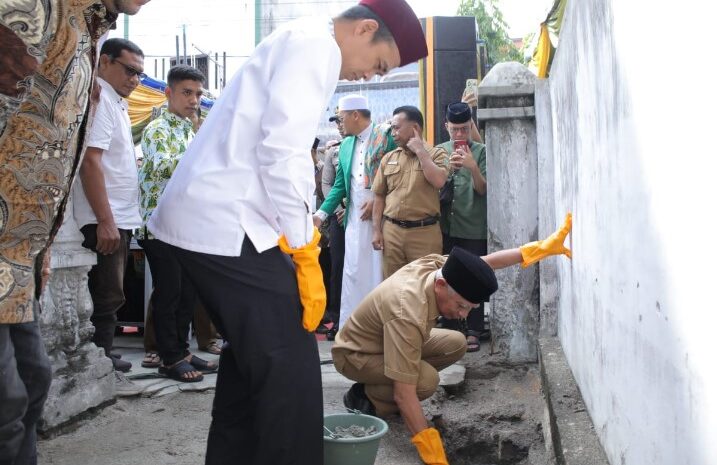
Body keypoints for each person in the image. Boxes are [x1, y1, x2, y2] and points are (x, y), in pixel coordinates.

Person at [145, 0, 428, 463]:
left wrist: (298, 241)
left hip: (223, 221)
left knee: (255, 358)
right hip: (223, 221)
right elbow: (283, 153)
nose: (371, 78)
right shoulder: (315, 46)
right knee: (290, 366)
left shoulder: (303, 40)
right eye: (379, 65)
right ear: (365, 29)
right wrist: (302, 248)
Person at [0, 1, 149, 463]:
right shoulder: (32, 9)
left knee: (31, 381)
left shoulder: (84, 34)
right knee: (8, 401)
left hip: (19, 261)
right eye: (129, 69)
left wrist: (38, 252)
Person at [333, 213, 573, 465]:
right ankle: (365, 399)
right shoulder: (407, 311)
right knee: (424, 381)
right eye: (461, 305)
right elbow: (405, 394)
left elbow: (484, 264)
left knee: (455, 343)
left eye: (470, 308)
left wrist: (538, 249)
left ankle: (389, 379)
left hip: (387, 340)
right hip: (356, 354)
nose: (463, 314)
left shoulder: (440, 269)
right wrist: (434, 453)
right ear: (441, 286)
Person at [137, 64, 218, 381]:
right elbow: (165, 165)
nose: (194, 100)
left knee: (187, 294)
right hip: (159, 226)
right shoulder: (157, 129)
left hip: (184, 228)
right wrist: (208, 158)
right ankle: (170, 358)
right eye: (186, 92)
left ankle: (182, 351)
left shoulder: (188, 130)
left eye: (198, 93)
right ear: (168, 93)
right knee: (170, 293)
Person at [74, 38, 145, 374]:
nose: (135, 79)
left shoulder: (115, 101)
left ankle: (103, 353)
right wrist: (105, 220)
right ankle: (97, 357)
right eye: (129, 70)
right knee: (106, 293)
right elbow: (91, 161)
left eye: (139, 74)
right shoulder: (101, 99)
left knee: (112, 293)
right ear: (105, 62)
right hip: (106, 215)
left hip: (118, 214)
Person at [314, 94, 395, 329]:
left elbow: (396, 174)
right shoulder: (347, 145)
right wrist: (321, 215)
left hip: (381, 220)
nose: (340, 123)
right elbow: (340, 184)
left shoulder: (385, 137)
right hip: (354, 219)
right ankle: (354, 327)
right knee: (353, 271)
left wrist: (379, 198)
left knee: (377, 271)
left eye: (342, 118)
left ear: (355, 115)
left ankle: (379, 326)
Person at [372, 106, 449, 279]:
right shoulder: (389, 158)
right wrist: (376, 230)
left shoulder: (437, 154)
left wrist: (420, 151)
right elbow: (379, 196)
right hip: (392, 233)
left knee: (425, 286)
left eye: (397, 127)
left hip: (424, 234)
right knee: (392, 286)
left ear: (415, 128)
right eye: (392, 128)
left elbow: (439, 180)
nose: (393, 132)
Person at [437, 101, 488, 352]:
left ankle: (474, 329)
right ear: (446, 126)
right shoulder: (439, 151)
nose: (460, 135)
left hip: (473, 225)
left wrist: (472, 167)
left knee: (473, 277)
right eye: (455, 129)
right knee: (447, 276)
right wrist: (448, 170)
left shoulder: (481, 151)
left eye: (465, 129)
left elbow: (482, 189)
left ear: (471, 127)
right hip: (447, 225)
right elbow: (433, 188)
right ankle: (449, 328)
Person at [316, 111, 346, 339]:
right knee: (337, 267)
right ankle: (336, 316)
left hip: (362, 216)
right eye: (337, 122)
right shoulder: (334, 150)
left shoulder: (373, 145)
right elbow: (327, 185)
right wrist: (338, 210)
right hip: (338, 219)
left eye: (341, 121)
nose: (339, 126)